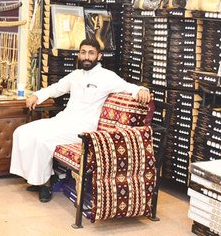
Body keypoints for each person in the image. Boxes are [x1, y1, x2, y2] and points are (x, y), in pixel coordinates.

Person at [10, 38, 151, 203]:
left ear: (99, 57)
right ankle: (36, 178)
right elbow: (56, 88)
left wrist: (142, 89)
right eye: (83, 52)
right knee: (22, 132)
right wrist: (36, 95)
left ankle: (45, 184)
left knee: (42, 140)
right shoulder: (75, 75)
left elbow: (130, 87)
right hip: (63, 121)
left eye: (91, 53)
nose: (86, 57)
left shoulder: (107, 77)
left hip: (83, 128)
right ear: (79, 55)